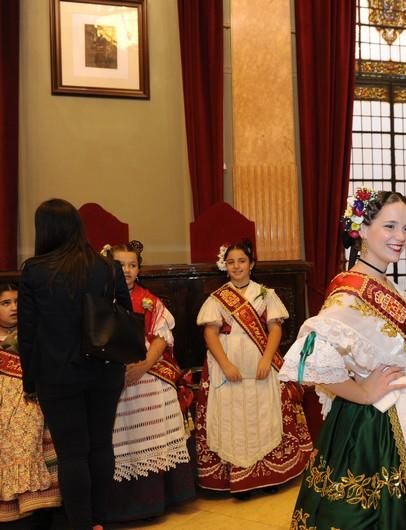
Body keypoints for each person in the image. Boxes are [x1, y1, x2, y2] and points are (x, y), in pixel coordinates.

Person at [279, 189, 406, 530]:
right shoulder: (349, 293)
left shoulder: (383, 283)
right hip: (379, 429)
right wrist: (365, 392)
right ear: (361, 230)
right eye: (390, 226)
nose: (401, 237)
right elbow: (313, 359)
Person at [18, 198, 131, 530]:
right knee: (100, 445)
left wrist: (30, 382)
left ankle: (81, 524)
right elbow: (124, 315)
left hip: (57, 375)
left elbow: (28, 332)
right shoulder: (107, 266)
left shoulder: (34, 270)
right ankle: (101, 520)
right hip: (105, 369)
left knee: (72, 454)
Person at [195, 239, 312, 494]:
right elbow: (211, 333)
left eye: (242, 261)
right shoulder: (217, 299)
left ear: (251, 264)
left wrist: (267, 359)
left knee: (263, 412)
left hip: (260, 364)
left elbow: (275, 328)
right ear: (224, 266)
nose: (236, 266)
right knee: (229, 414)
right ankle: (234, 477)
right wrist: (225, 364)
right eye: (231, 262)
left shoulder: (266, 294)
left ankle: (266, 475)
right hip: (227, 366)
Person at [100, 241, 195, 522]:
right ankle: (121, 507)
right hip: (113, 378)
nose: (127, 270)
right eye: (120, 265)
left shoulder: (150, 300)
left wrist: (143, 367)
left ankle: (156, 500)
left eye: (132, 265)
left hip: (148, 375)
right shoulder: (100, 300)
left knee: (155, 417)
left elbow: (162, 338)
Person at [0, 283, 61, 523]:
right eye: (5, 303)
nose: (14, 308)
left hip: (32, 400)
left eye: (18, 302)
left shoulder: (34, 333)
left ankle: (38, 509)